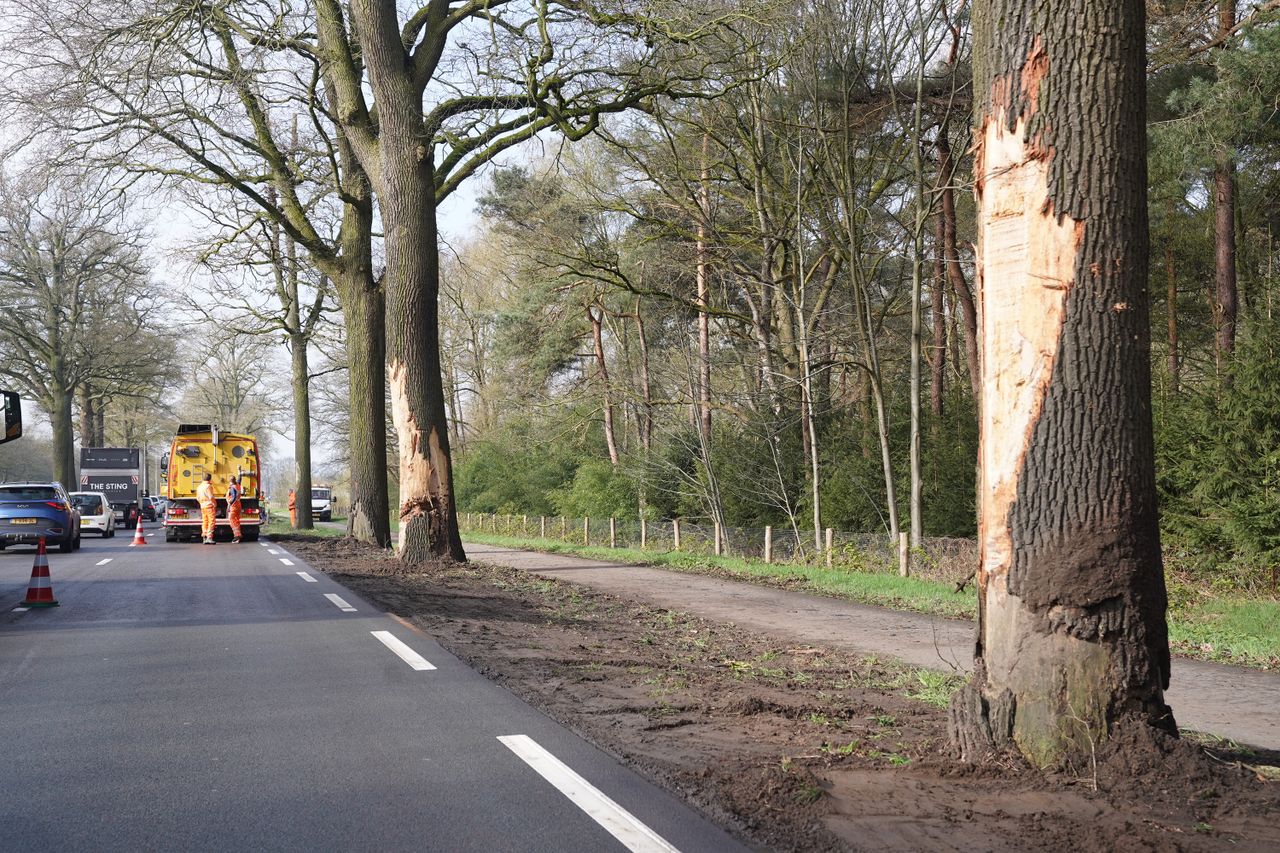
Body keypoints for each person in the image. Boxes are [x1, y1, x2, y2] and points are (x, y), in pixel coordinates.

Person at [197, 473, 218, 545]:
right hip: (209, 506)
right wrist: (215, 504)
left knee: (205, 521)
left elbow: (198, 498)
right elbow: (211, 497)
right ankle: (209, 538)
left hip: (203, 506)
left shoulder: (199, 487)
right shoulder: (208, 486)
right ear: (210, 479)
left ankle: (205, 537)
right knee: (211, 522)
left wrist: (201, 503)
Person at [226, 476, 243, 544]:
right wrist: (240, 472)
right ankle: (238, 536)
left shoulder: (232, 487)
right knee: (236, 520)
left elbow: (233, 497)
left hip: (233, 506)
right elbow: (239, 480)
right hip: (238, 505)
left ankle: (237, 535)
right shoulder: (237, 485)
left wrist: (229, 504)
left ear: (230, 481)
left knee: (232, 520)